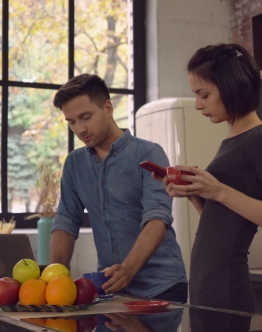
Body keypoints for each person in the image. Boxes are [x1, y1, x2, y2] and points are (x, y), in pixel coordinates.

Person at [156, 43, 262, 312]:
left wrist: (219, 191)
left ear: (231, 86)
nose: (198, 105)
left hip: (226, 291)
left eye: (204, 95)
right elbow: (223, 222)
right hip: (207, 288)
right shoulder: (232, 139)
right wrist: (196, 193)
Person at [50, 74, 187, 302]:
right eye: (72, 122)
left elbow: (157, 218)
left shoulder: (149, 154)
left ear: (108, 107)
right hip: (110, 290)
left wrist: (128, 269)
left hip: (162, 288)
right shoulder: (74, 163)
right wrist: (53, 277)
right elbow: (66, 221)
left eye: (86, 117)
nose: (80, 129)